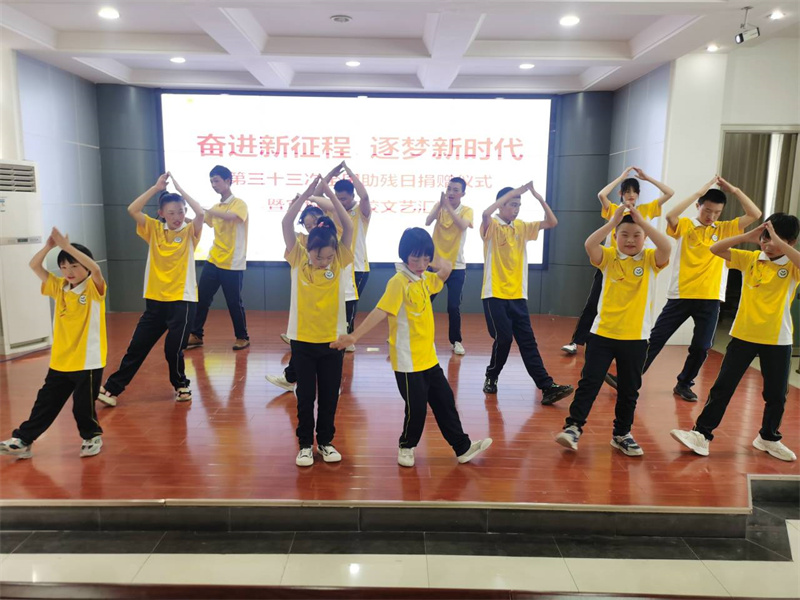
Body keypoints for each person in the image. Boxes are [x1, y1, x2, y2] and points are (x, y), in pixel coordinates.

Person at [331, 228, 492, 468]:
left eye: (426, 258)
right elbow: (381, 311)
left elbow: (446, 269)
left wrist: (430, 257)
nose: (421, 264)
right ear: (404, 255)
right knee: (416, 408)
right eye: (415, 258)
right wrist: (353, 336)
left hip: (428, 358)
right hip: (408, 361)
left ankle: (462, 447)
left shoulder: (424, 279)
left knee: (445, 401)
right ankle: (406, 446)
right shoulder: (398, 282)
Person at [611, 176, 761, 401]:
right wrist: (698, 191)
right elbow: (670, 216)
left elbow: (755, 214)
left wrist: (736, 190)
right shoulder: (686, 225)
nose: (711, 216)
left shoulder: (725, 229)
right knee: (656, 338)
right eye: (707, 210)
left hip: (710, 297)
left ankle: (684, 384)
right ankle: (629, 378)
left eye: (717, 212)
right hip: (680, 294)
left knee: (701, 347)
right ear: (698, 206)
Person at [671, 214, 800, 462]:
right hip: (743, 335)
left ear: (791, 243)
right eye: (765, 238)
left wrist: (777, 241)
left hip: (777, 338)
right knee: (723, 387)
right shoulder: (750, 258)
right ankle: (701, 434)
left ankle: (768, 437)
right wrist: (749, 236)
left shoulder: (792, 265)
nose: (768, 244)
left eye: (775, 240)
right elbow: (715, 248)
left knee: (776, 394)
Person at [555, 207, 671, 455]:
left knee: (629, 390)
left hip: (636, 337)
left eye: (637, 235)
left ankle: (621, 434)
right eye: (624, 235)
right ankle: (573, 427)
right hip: (602, 334)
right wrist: (613, 222)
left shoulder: (651, 259)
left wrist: (643, 223)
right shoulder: (608, 257)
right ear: (616, 237)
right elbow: (590, 244)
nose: (630, 240)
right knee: (589, 383)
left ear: (645, 237)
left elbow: (666, 247)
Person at [97, 173, 204, 406]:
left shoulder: (189, 232)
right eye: (172, 213)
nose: (177, 217)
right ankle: (112, 389)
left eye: (181, 211)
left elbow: (201, 214)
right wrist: (156, 188)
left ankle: (181, 385)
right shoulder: (154, 229)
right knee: (137, 347)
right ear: (162, 213)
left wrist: (181, 191)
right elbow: (132, 209)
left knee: (172, 350)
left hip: (182, 301)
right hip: (155, 301)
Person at [0, 229, 105, 459]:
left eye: (74, 266)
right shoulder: (59, 287)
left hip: (87, 360)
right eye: (64, 267)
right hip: (60, 360)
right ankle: (24, 440)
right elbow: (34, 265)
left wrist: (67, 247)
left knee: (82, 406)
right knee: (45, 403)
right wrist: (49, 246)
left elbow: (96, 270)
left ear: (86, 267)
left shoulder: (93, 287)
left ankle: (91, 436)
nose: (69, 272)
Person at [561, 167, 673, 356]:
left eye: (634, 191)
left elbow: (670, 193)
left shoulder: (645, 210)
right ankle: (577, 341)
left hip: (638, 265)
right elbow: (601, 195)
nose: (631, 195)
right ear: (621, 193)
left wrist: (648, 178)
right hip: (610, 264)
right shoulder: (615, 210)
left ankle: (626, 345)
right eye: (627, 191)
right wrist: (621, 177)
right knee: (593, 303)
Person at [480, 181, 573, 405]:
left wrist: (539, 198)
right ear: (501, 205)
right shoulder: (492, 225)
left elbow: (552, 222)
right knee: (503, 339)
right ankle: (491, 376)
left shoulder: (521, 227)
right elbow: (485, 213)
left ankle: (547, 387)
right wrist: (514, 192)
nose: (516, 209)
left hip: (518, 295)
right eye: (512, 204)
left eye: (518, 205)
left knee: (528, 342)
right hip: (494, 294)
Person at [282, 175, 353, 467]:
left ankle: (325, 441)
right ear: (308, 248)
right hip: (302, 341)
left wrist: (329, 194)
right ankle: (304, 445)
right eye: (318, 256)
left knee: (329, 396)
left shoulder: (339, 260)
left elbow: (348, 225)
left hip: (333, 342)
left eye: (328, 257)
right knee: (305, 396)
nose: (323, 261)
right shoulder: (298, 258)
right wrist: (307, 194)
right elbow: (286, 222)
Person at [267, 205, 335, 394]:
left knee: (327, 349)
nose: (312, 228)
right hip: (306, 311)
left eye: (315, 223)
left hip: (329, 309)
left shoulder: (334, 246)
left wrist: (319, 194)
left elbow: (345, 223)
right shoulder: (301, 247)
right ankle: (292, 378)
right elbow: (286, 224)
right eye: (307, 225)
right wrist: (301, 199)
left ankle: (329, 383)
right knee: (303, 346)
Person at [186, 165, 250, 351]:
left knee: (234, 302)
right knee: (202, 298)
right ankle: (196, 335)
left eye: (216, 181)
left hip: (232, 262)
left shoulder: (239, 204)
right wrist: (179, 218)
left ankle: (242, 337)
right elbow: (200, 221)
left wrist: (206, 209)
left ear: (228, 181)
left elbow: (232, 217)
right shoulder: (215, 208)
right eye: (211, 181)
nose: (214, 185)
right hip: (214, 259)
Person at [426, 177, 473, 355]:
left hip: (456, 267)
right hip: (436, 265)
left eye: (455, 190)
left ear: (462, 194)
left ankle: (456, 341)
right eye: (449, 189)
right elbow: (427, 221)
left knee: (453, 307)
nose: (451, 193)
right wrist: (440, 206)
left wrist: (448, 207)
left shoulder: (467, 210)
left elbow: (462, 225)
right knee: (424, 302)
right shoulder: (439, 206)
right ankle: (423, 337)